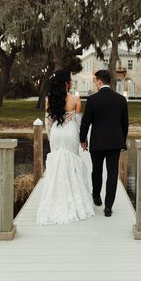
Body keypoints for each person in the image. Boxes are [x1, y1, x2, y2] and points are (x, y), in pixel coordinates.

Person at [36, 70, 95, 225]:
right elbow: (78, 123)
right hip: (70, 133)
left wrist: (51, 138)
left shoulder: (49, 100)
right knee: (72, 163)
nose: (71, 82)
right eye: (70, 80)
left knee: (56, 163)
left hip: (56, 133)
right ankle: (75, 198)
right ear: (66, 82)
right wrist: (83, 140)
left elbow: (48, 123)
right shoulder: (76, 99)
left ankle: (55, 197)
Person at [80, 70, 128, 217]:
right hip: (115, 142)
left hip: (98, 141)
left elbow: (85, 122)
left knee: (97, 170)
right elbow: (125, 124)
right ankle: (108, 206)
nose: (95, 84)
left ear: (99, 82)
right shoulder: (121, 99)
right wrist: (122, 140)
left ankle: (96, 197)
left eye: (95, 81)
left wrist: (83, 139)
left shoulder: (92, 100)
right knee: (113, 173)